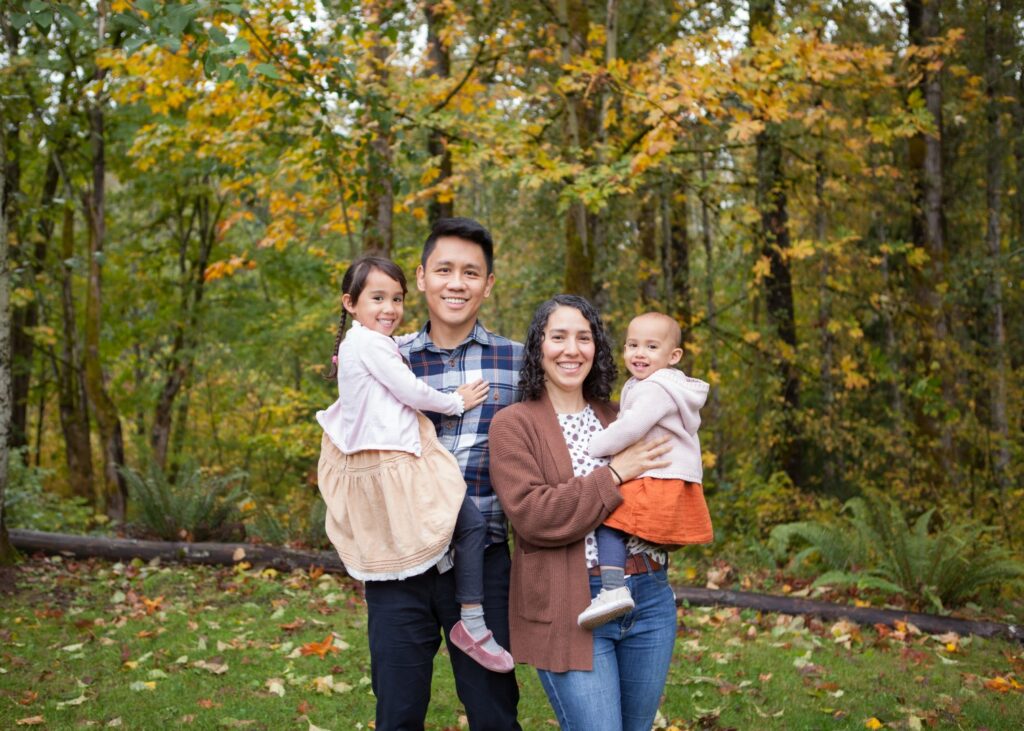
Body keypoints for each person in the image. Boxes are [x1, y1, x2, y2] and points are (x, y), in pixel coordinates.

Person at [316, 254, 514, 675]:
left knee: (437, 527)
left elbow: (389, 356)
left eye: (397, 299)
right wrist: (455, 402)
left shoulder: (363, 343)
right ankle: (471, 622)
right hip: (400, 463)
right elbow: (409, 389)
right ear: (350, 303)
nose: (389, 308)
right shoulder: (370, 345)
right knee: (470, 525)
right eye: (377, 299)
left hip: (387, 463)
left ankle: (455, 603)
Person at [489, 295, 676, 731]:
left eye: (583, 338)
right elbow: (534, 515)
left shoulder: (621, 416)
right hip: (571, 600)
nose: (571, 350)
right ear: (538, 346)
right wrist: (613, 475)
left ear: (597, 347)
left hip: (649, 595)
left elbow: (659, 495)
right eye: (558, 337)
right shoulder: (514, 425)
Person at [366, 218, 524, 729]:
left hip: (485, 561)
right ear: (421, 277)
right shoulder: (385, 357)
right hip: (400, 563)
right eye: (444, 270)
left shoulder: (518, 363)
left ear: (488, 284)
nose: (457, 283)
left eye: (471, 273)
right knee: (397, 712)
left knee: (494, 713)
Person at [579, 312, 714, 629]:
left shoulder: (656, 388)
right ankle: (642, 578)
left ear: (673, 356)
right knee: (632, 527)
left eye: (651, 347)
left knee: (610, 520)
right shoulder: (662, 386)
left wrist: (593, 445)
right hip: (669, 476)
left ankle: (613, 589)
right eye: (633, 345)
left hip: (658, 476)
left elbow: (629, 428)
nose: (639, 353)